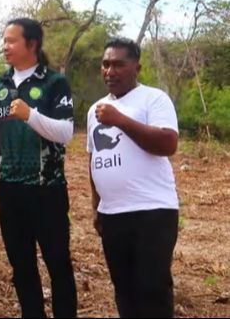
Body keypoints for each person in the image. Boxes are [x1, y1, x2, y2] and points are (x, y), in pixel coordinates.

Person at [0, 17, 78, 318]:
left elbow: (65, 132)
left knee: (57, 261)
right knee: (21, 264)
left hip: (47, 189)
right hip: (10, 189)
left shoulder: (53, 82)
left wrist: (29, 115)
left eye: (11, 41)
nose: (5, 46)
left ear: (32, 44)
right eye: (4, 40)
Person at [88, 37, 180, 318]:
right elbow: (93, 159)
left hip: (152, 211)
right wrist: (96, 207)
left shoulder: (153, 98)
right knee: (124, 291)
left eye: (118, 64)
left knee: (152, 290)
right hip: (113, 215)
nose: (109, 71)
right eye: (105, 64)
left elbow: (168, 144)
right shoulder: (95, 109)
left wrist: (121, 120)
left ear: (136, 67)